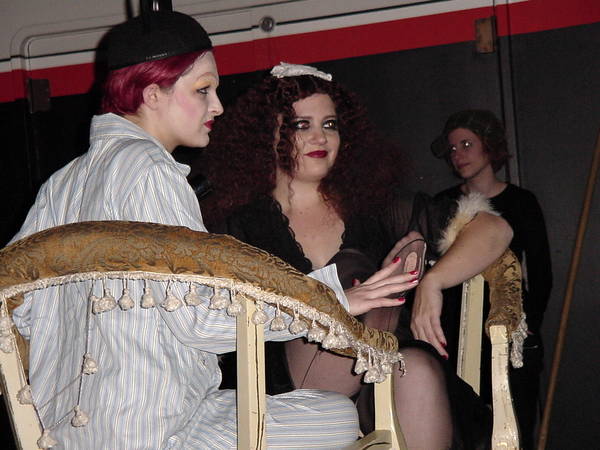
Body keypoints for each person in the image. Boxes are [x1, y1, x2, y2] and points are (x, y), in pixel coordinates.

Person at [6, 10, 418, 449]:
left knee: (323, 411)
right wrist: (331, 301)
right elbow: (199, 321)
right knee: (337, 416)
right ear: (152, 93)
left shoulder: (62, 182)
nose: (217, 106)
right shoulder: (151, 171)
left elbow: (17, 309)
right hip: (157, 431)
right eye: (203, 90)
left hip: (61, 434)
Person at [200, 64, 513, 449]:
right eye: (301, 125)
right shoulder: (238, 224)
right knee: (351, 276)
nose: (320, 137)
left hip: (384, 376)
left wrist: (434, 281)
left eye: (330, 125)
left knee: (414, 369)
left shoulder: (375, 207)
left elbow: (495, 229)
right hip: (284, 385)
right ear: (268, 134)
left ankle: (375, 317)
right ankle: (371, 312)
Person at [432, 109, 552, 449]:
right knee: (464, 427)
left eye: (467, 144)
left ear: (490, 146)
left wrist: (530, 325)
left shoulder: (521, 202)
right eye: (453, 148)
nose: (458, 155)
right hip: (456, 332)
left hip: (509, 328)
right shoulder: (443, 204)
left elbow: (541, 272)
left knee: (516, 424)